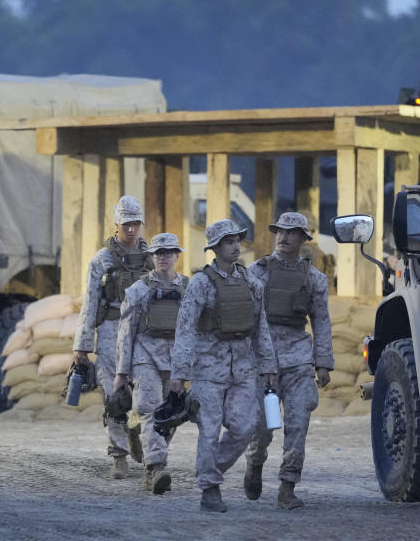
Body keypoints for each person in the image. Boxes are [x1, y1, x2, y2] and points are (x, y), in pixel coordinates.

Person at [168, 219, 277, 513]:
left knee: (245, 426)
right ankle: (210, 490)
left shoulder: (251, 283)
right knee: (209, 429)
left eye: (237, 241)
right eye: (229, 242)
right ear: (215, 248)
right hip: (207, 371)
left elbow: (261, 326)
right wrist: (180, 373)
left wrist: (269, 366)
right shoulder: (201, 284)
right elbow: (186, 327)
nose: (235, 246)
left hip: (243, 369)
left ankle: (208, 471)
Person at [244, 211, 333, 509]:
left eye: (291, 233)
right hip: (266, 366)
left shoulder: (314, 279)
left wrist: (323, 363)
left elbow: (321, 321)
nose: (283, 237)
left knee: (297, 423)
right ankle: (255, 463)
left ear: (303, 239)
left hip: (298, 362)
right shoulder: (257, 272)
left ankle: (287, 486)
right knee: (265, 425)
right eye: (280, 232)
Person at [73, 195, 152, 479]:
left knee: (147, 392)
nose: (131, 229)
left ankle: (137, 433)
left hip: (143, 332)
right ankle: (118, 454)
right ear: (116, 224)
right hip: (110, 330)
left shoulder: (152, 257)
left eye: (136, 223)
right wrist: (82, 346)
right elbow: (90, 302)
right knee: (114, 395)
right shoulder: (102, 259)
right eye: (126, 224)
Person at [114, 232, 187, 495]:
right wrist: (122, 372)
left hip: (176, 362)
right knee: (149, 408)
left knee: (172, 416)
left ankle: (141, 439)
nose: (163, 257)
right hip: (145, 357)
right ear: (152, 257)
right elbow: (126, 331)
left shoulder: (189, 290)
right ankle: (155, 468)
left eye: (168, 252)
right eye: (158, 253)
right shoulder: (139, 290)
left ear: (177, 255)